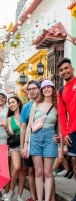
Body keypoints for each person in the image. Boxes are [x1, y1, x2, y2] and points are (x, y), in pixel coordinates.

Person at [23, 80, 63, 201]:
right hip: (35, 138)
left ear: (53, 89)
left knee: (48, 173)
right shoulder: (35, 105)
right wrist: (25, 145)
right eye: (44, 87)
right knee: (38, 172)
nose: (46, 89)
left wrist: (60, 147)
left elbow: (60, 129)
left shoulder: (57, 106)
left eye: (49, 87)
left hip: (50, 139)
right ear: (41, 90)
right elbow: (29, 126)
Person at [57, 57, 76, 201]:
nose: (64, 71)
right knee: (75, 162)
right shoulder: (61, 90)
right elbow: (62, 115)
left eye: (66, 68)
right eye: (61, 70)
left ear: (72, 69)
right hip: (73, 132)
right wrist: (65, 133)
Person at [20, 80, 41, 201]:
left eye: (34, 88)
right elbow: (23, 127)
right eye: (29, 89)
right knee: (31, 171)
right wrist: (23, 145)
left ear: (39, 89)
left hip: (44, 142)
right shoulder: (26, 107)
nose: (31, 91)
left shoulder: (45, 103)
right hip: (30, 143)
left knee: (44, 171)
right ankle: (33, 196)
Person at [2, 96, 24, 201]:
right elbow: (11, 133)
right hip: (15, 145)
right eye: (9, 103)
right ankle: (11, 191)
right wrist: (6, 128)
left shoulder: (25, 115)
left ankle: (19, 195)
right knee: (16, 167)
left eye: (13, 102)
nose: (11, 104)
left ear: (18, 103)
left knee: (23, 171)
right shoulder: (9, 118)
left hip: (26, 144)